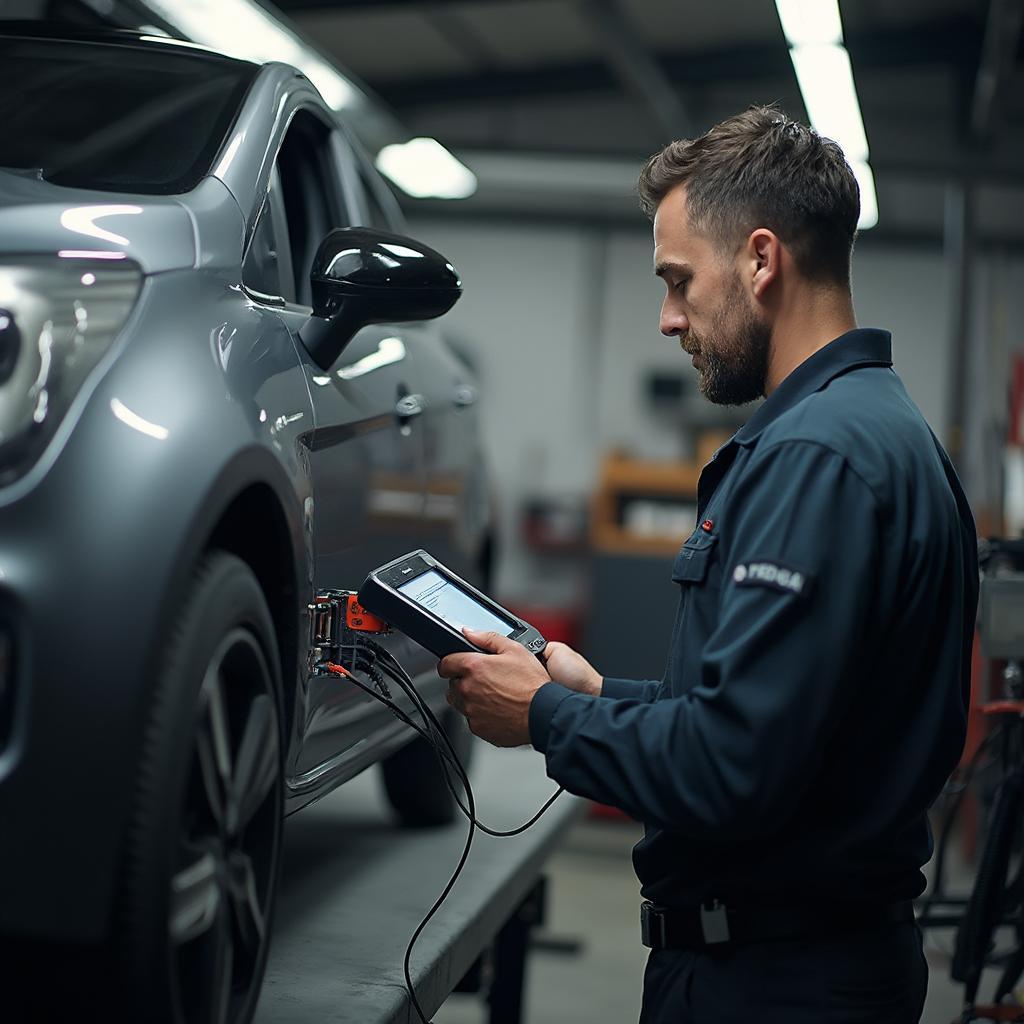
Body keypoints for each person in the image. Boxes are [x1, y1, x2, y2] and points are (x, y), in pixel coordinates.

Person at [438, 106, 979, 1023]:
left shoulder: (818, 457)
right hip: (809, 963)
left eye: (680, 281)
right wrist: (600, 694)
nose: (667, 317)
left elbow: (732, 769)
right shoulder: (883, 432)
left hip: (770, 984)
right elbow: (783, 719)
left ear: (762, 261)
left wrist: (547, 718)